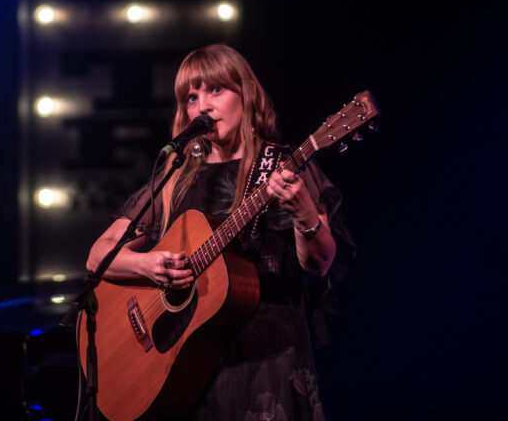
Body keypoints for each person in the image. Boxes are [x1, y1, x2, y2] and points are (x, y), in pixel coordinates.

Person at [86, 44, 354, 421]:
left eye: (216, 90)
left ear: (245, 94)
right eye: (191, 97)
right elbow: (99, 255)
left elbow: (319, 264)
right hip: (184, 366)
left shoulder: (280, 165)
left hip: (265, 360)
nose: (202, 106)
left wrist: (303, 212)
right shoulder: (175, 176)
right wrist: (148, 265)